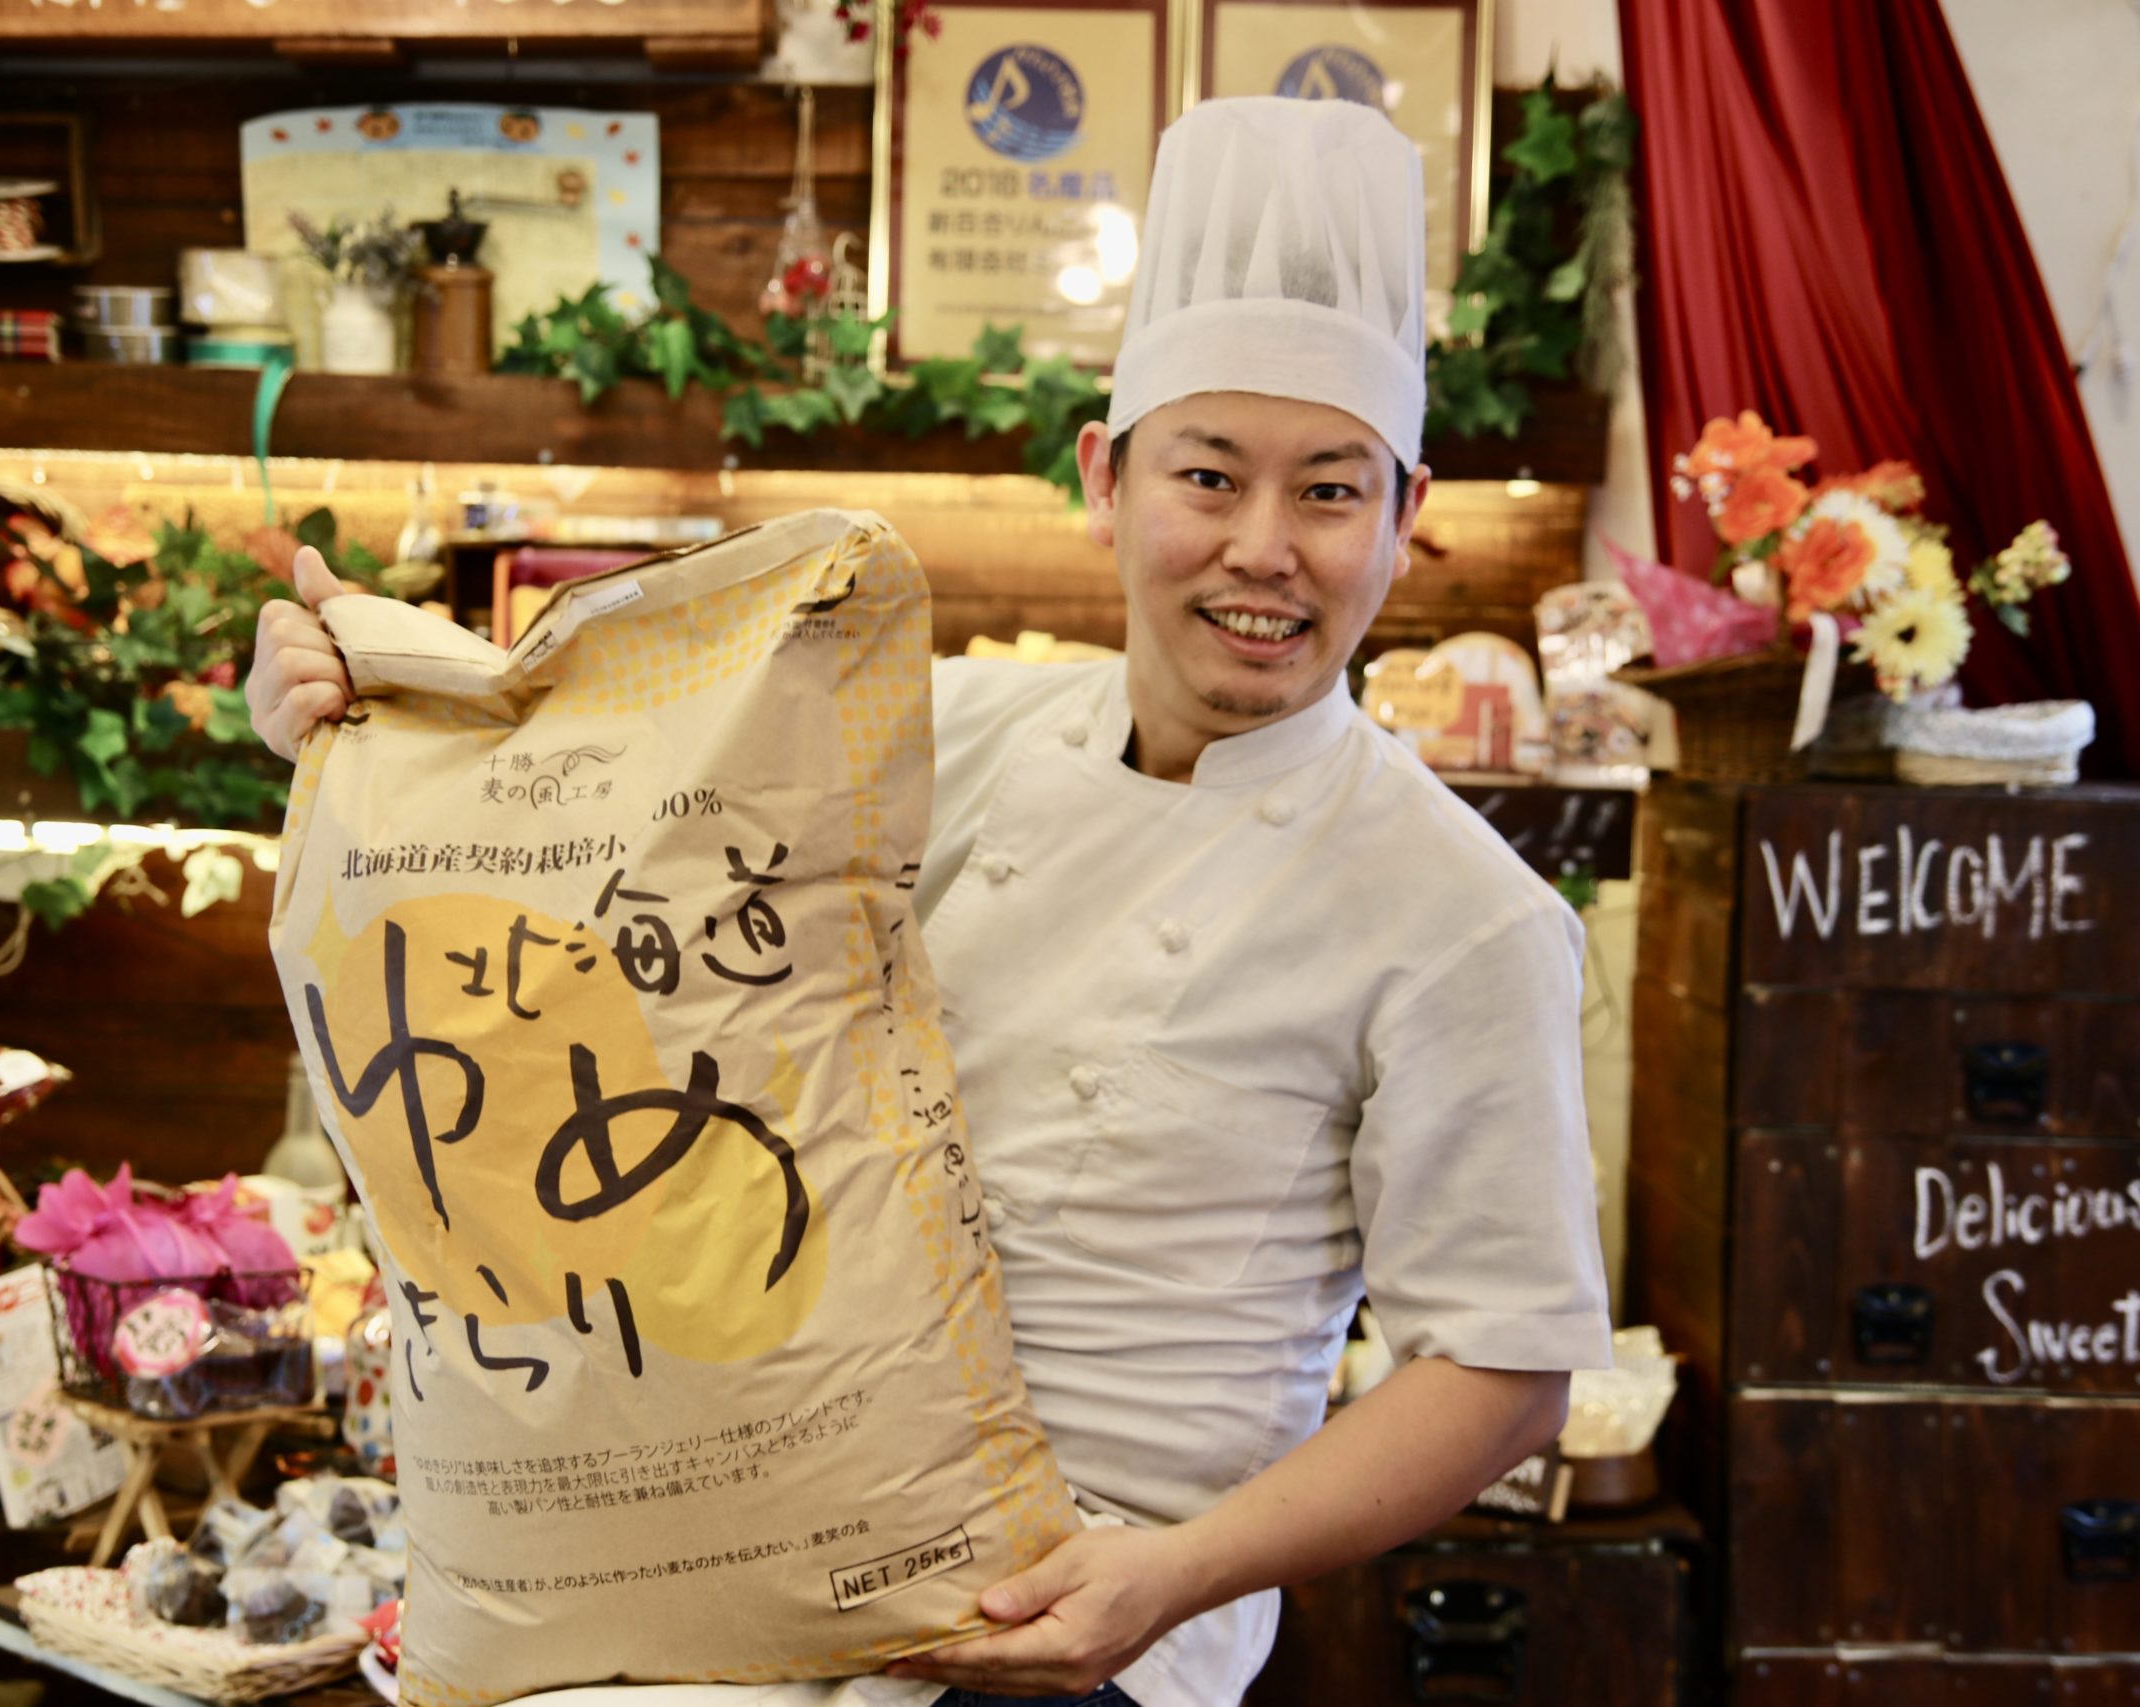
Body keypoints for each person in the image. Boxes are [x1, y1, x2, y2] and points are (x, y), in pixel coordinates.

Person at [247, 97, 1609, 1707]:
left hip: (1084, 1623)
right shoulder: (943, 727)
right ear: (1106, 481)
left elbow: (1503, 1374)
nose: (1264, 549)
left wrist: (1172, 1576)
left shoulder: (1463, 914)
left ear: (1404, 518)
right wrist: (359, 710)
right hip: (764, 1505)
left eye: (1328, 491)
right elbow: (598, 809)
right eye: (1209, 476)